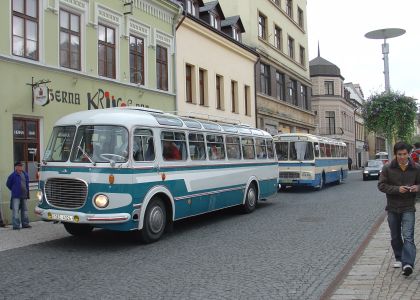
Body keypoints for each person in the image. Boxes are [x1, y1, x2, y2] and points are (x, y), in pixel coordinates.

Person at [378, 142, 420, 277]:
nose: (402, 157)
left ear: (409, 154)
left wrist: (417, 188)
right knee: (395, 236)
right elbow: (381, 186)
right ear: (395, 154)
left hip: (408, 207)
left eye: (405, 154)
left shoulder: (416, 168)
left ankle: (407, 264)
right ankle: (398, 257)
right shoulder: (387, 168)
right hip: (392, 207)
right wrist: (397, 189)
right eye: (399, 154)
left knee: (408, 236)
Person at [6, 162, 31, 230]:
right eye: (19, 166)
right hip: (16, 196)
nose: (21, 167)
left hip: (24, 195)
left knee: (25, 210)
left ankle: (25, 224)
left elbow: (26, 184)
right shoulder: (12, 176)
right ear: (16, 167)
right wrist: (14, 190)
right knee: (15, 210)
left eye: (21, 166)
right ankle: (16, 225)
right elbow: (8, 184)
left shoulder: (25, 174)